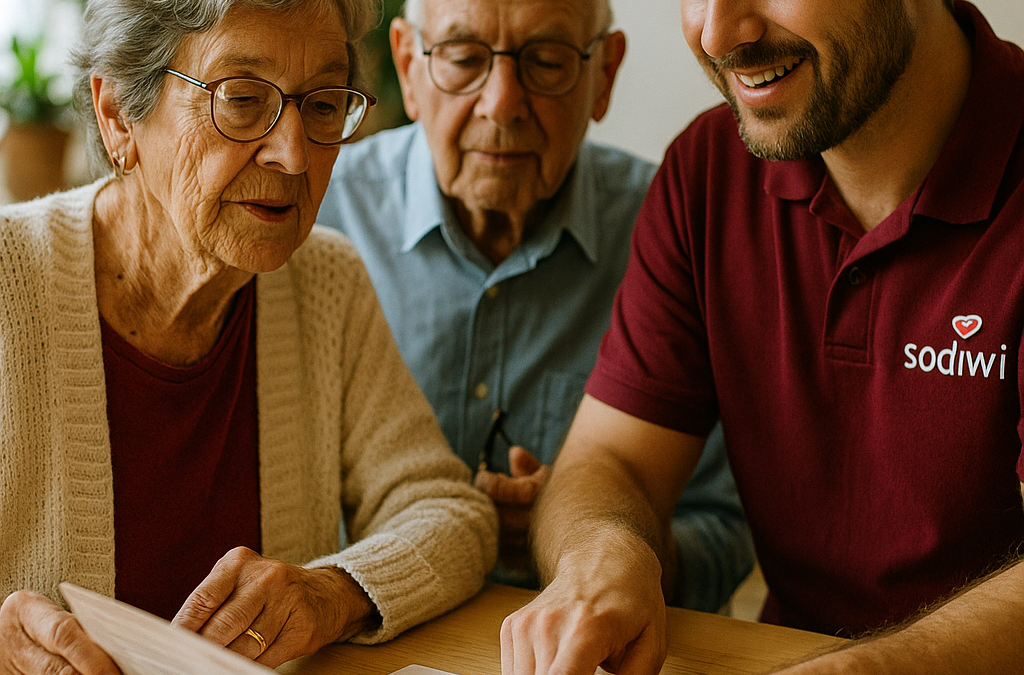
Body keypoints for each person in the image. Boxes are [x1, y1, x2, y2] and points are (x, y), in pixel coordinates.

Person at [500, 0, 1024, 673]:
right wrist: (601, 550)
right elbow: (610, 462)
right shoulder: (706, 168)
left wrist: (860, 668)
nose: (718, 34)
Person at [0, 0, 498, 673]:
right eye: (241, 99)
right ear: (119, 113)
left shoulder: (327, 283)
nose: (293, 154)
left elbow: (448, 513)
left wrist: (332, 591)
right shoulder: (10, 284)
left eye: (322, 104)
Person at [315, 0, 754, 609]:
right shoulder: (320, 222)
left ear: (604, 74)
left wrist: (596, 543)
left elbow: (728, 535)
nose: (501, 102)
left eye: (545, 62)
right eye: (463, 59)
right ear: (407, 67)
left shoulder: (673, 236)